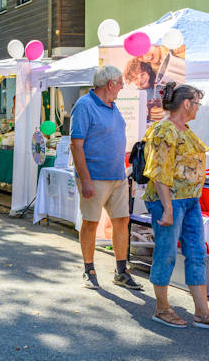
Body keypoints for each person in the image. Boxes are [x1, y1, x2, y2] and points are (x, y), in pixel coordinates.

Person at [143, 82, 209, 332]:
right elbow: (158, 172)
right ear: (186, 104)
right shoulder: (164, 130)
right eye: (197, 103)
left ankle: (202, 313)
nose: (198, 108)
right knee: (167, 252)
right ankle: (162, 309)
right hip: (169, 201)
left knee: (197, 254)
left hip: (190, 201)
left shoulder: (186, 130)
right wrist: (168, 208)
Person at [70, 65, 141, 290]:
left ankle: (121, 271)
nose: (122, 87)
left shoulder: (113, 106)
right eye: (120, 83)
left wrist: (124, 174)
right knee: (90, 223)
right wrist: (86, 180)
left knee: (122, 221)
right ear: (110, 84)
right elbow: (76, 145)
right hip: (95, 176)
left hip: (117, 176)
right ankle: (88, 269)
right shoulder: (84, 106)